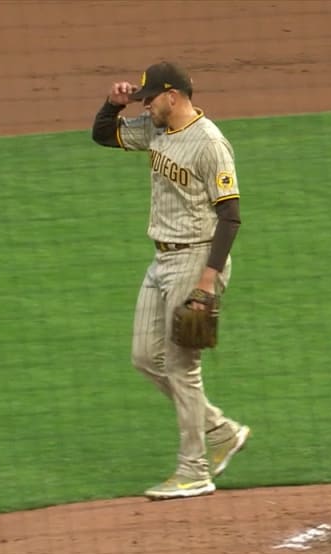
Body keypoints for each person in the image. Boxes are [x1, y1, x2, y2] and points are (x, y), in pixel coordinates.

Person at [91, 61, 251, 500]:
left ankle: (194, 470)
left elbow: (231, 216)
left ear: (174, 96)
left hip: (197, 258)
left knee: (183, 367)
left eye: (151, 99)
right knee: (145, 358)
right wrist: (112, 104)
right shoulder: (156, 130)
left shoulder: (211, 144)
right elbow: (104, 135)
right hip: (161, 259)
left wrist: (206, 282)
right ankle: (220, 430)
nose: (146, 106)